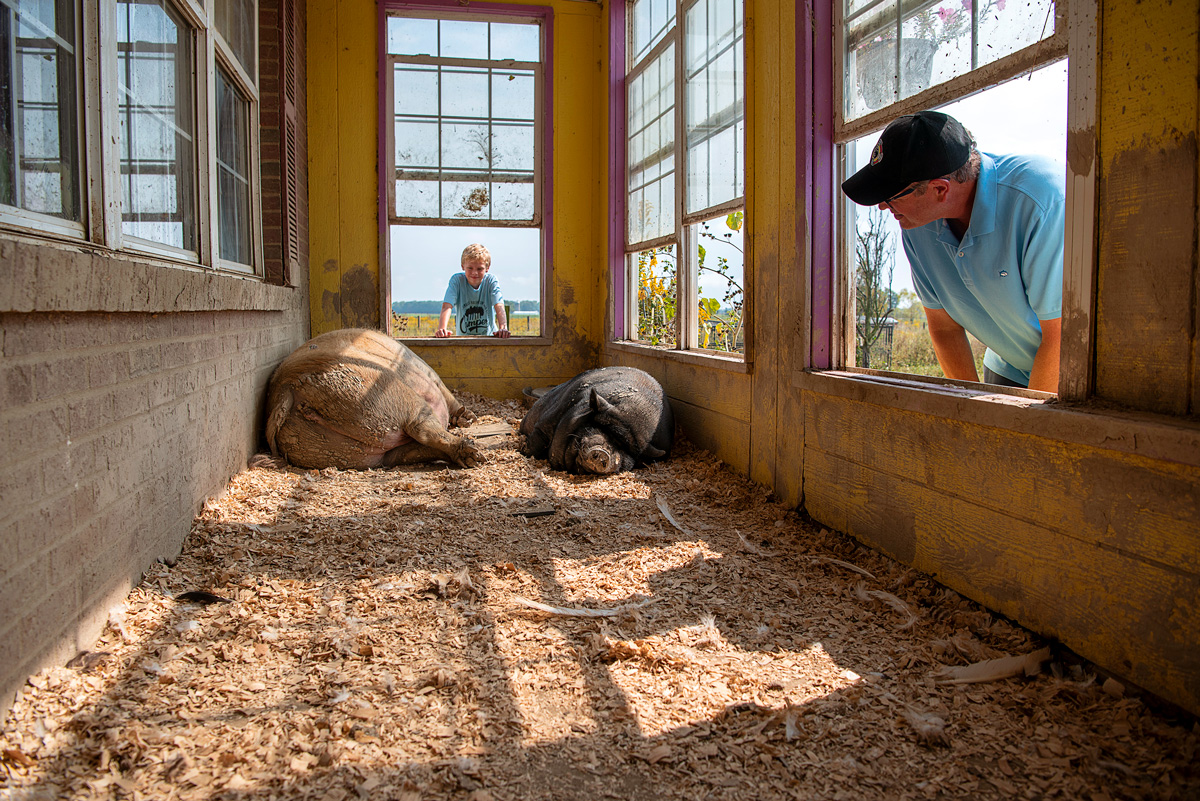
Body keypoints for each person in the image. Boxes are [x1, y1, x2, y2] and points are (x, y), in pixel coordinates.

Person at [841, 110, 1064, 391]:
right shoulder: (917, 224)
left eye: (890, 196)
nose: (882, 206)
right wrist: (968, 414)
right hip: (1008, 364)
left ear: (939, 190)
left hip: (1066, 367)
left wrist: (1031, 427)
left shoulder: (1040, 201)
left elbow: (1061, 335)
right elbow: (945, 329)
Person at [435, 243, 510, 338]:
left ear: (487, 268)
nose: (474, 273)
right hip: (464, 339)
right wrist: (442, 328)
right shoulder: (457, 281)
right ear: (463, 266)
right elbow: (447, 306)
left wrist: (503, 327)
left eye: (479, 269)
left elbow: (499, 305)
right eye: (470, 268)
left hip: (489, 338)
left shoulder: (491, 281)